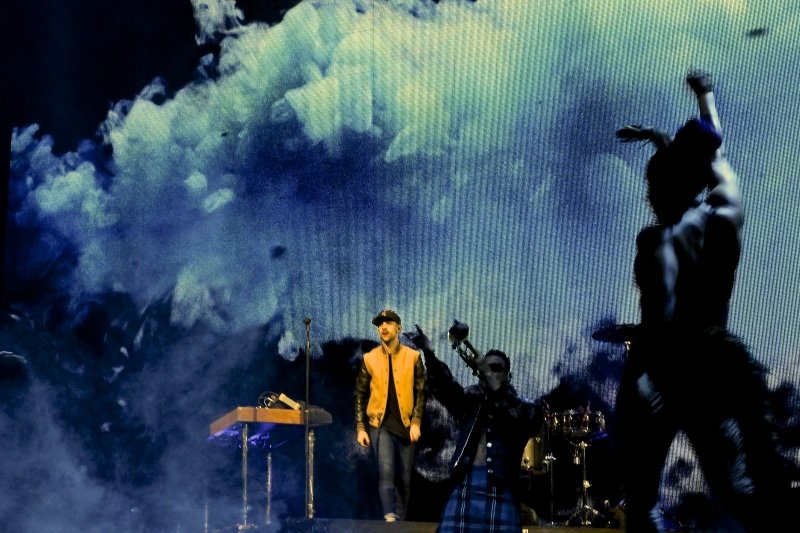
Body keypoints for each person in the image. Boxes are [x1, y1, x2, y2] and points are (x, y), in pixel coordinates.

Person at [614, 71, 792, 531]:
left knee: (650, 496)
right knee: (733, 485)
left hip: (668, 367)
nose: (649, 196)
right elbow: (715, 156)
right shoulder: (724, 214)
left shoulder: (654, 241)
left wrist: (675, 125)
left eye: (654, 186)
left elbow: (703, 159)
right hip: (701, 363)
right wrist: (701, 100)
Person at [404, 324, 546, 533]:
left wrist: (488, 374)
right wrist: (428, 351)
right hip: (466, 485)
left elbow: (530, 419)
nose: (490, 371)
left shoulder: (519, 406)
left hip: (501, 489)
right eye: (487, 367)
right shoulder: (471, 398)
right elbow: (446, 387)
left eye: (496, 368)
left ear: (508, 375)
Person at [354, 309, 426, 522]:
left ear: (398, 328)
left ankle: (400, 522)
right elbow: (360, 394)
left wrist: (416, 421)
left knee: (404, 478)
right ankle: (390, 517)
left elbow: (421, 391)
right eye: (380, 324)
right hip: (380, 424)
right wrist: (361, 427)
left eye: (388, 322)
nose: (383, 327)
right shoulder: (369, 359)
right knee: (386, 471)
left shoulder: (413, 357)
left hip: (406, 424)